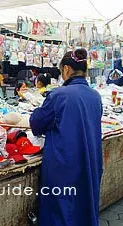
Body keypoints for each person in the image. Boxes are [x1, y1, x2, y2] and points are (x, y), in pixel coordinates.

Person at [29, 49, 103, 226]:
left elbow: (36, 124)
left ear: (67, 69)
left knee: (60, 210)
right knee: (85, 204)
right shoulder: (95, 96)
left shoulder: (58, 95)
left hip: (63, 165)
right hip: (90, 161)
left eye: (62, 70)